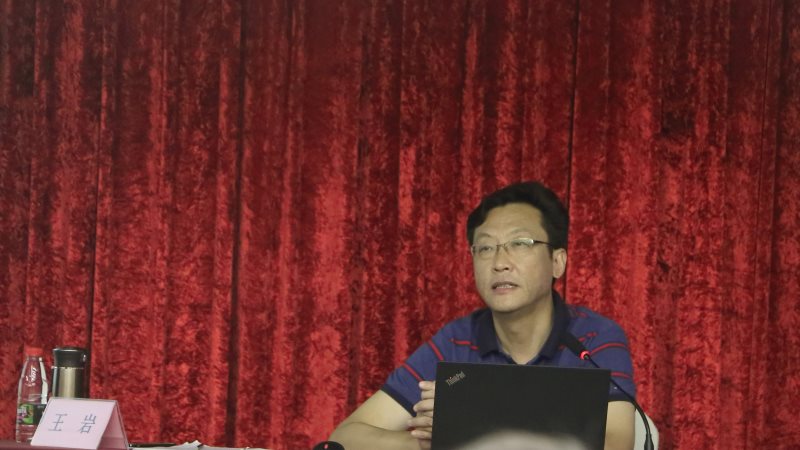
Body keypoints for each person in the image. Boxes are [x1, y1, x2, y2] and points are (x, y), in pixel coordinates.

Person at [329, 181, 636, 450]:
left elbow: (615, 443)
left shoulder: (592, 338)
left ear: (558, 262)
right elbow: (346, 437)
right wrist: (437, 443)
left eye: (520, 243)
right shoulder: (456, 342)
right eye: (486, 248)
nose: (500, 262)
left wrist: (471, 426)